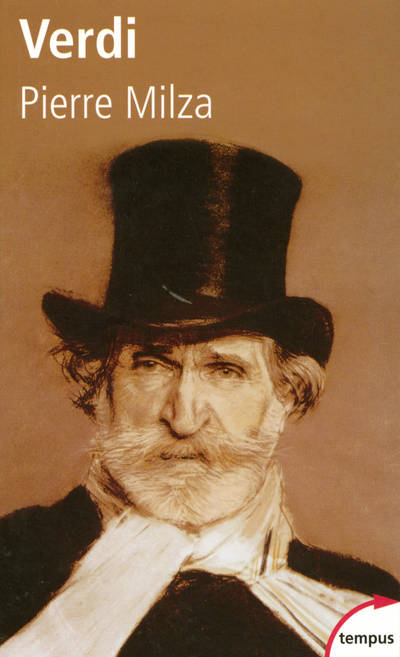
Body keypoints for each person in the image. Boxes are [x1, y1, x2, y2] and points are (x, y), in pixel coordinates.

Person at [0, 139, 398, 657]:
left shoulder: (367, 608)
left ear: (284, 395)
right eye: (151, 364)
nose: (184, 418)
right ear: (99, 384)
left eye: (225, 370)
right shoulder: (10, 564)